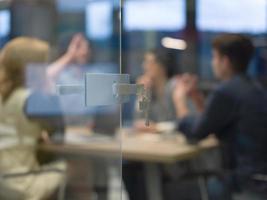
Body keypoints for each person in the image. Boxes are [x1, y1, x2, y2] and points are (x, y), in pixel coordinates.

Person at [173, 34, 267, 199]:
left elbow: (196, 132)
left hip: (246, 182)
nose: (212, 63)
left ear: (225, 61)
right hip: (258, 175)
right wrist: (198, 100)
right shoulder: (253, 87)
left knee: (187, 187)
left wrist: (179, 100)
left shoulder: (226, 91)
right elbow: (212, 123)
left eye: (214, 57)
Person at [0, 37, 66, 200]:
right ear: (33, 69)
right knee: (77, 168)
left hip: (4, 180)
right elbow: (58, 134)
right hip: (18, 183)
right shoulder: (33, 99)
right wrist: (48, 89)